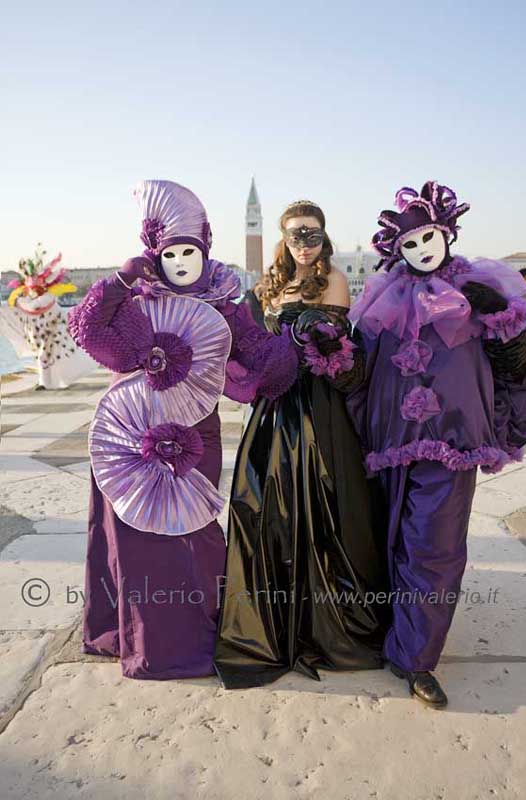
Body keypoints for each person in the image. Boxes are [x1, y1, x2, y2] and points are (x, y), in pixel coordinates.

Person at [68, 179, 299, 680]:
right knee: (133, 538)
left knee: (194, 536)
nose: (180, 263)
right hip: (129, 435)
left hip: (197, 437)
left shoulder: (224, 307)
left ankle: (193, 638)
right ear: (154, 255)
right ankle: (144, 642)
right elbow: (87, 328)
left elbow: (260, 354)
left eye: (189, 251)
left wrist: (294, 351)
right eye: (170, 253)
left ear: (205, 251)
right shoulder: (134, 304)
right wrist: (116, 283)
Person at [347, 181, 526, 708]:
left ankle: (416, 660)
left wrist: (502, 319)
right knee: (391, 544)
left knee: (436, 547)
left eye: (428, 237)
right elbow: (359, 371)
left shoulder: (478, 287)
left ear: (446, 232)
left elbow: (513, 367)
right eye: (409, 244)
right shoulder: (383, 296)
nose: (421, 250)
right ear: (396, 250)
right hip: (390, 440)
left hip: (452, 439)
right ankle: (395, 637)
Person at [214, 200, 390, 689]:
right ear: (283, 237)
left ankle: (327, 622)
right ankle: (271, 619)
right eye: (294, 235)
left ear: (323, 235)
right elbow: (250, 341)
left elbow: (340, 351)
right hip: (275, 405)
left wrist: (315, 334)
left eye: (311, 234)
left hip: (318, 403)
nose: (303, 244)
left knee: (327, 497)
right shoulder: (268, 284)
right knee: (267, 502)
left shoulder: (331, 279)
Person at [0, 246, 96, 389]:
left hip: (56, 333)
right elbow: (26, 307)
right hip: (42, 334)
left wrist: (19, 301)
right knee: (45, 357)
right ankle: (47, 383)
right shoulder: (30, 297)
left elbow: (33, 306)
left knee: (47, 357)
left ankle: (45, 383)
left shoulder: (48, 296)